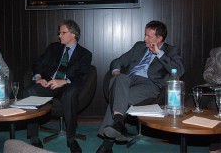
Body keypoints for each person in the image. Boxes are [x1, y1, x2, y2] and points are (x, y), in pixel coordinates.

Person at [96, 20, 185, 153]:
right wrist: (116, 71)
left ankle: (107, 144)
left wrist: (159, 54)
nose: (145, 38)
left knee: (118, 97)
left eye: (149, 36)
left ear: (159, 38)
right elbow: (118, 61)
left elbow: (179, 71)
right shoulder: (139, 46)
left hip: (149, 84)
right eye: (145, 34)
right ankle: (119, 123)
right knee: (120, 79)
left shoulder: (170, 51)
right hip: (128, 80)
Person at [23, 20, 92, 153]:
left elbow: (82, 76)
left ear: (73, 34)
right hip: (48, 83)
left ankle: (71, 138)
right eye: (59, 33)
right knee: (29, 91)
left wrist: (64, 81)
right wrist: (38, 77)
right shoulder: (54, 48)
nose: (59, 35)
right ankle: (33, 137)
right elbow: (38, 62)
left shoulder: (85, 54)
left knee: (70, 94)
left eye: (63, 32)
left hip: (67, 85)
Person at [203, 47, 221, 153]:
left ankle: (216, 145)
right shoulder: (216, 52)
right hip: (215, 89)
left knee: (215, 105)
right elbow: (207, 74)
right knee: (190, 103)